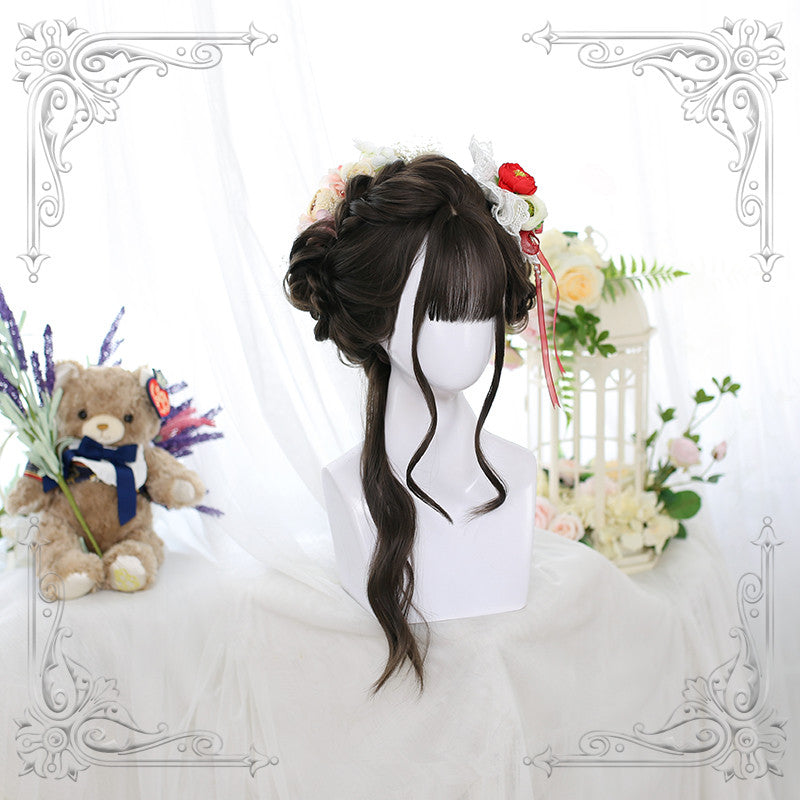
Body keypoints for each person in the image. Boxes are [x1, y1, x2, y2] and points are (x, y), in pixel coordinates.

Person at [285, 153, 536, 691]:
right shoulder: (349, 490)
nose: (471, 335)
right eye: (441, 309)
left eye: (483, 305)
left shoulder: (520, 474)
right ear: (374, 318)